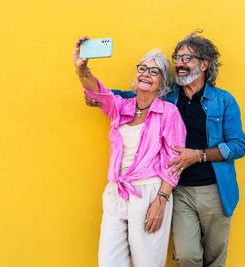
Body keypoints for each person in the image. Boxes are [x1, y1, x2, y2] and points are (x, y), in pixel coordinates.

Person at [85, 31, 245, 267]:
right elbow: (137, 94)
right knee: (187, 255)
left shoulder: (223, 100)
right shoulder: (170, 98)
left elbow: (238, 145)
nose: (179, 63)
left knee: (214, 258)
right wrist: (98, 96)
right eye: (177, 58)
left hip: (214, 188)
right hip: (178, 189)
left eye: (187, 58)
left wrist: (198, 155)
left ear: (204, 64)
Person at [73, 36, 186, 267]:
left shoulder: (169, 113)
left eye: (154, 71)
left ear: (163, 83)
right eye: (142, 68)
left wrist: (161, 201)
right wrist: (82, 69)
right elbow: (100, 94)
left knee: (148, 263)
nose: (145, 74)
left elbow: (174, 162)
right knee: (109, 262)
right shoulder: (121, 107)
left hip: (149, 192)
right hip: (116, 191)